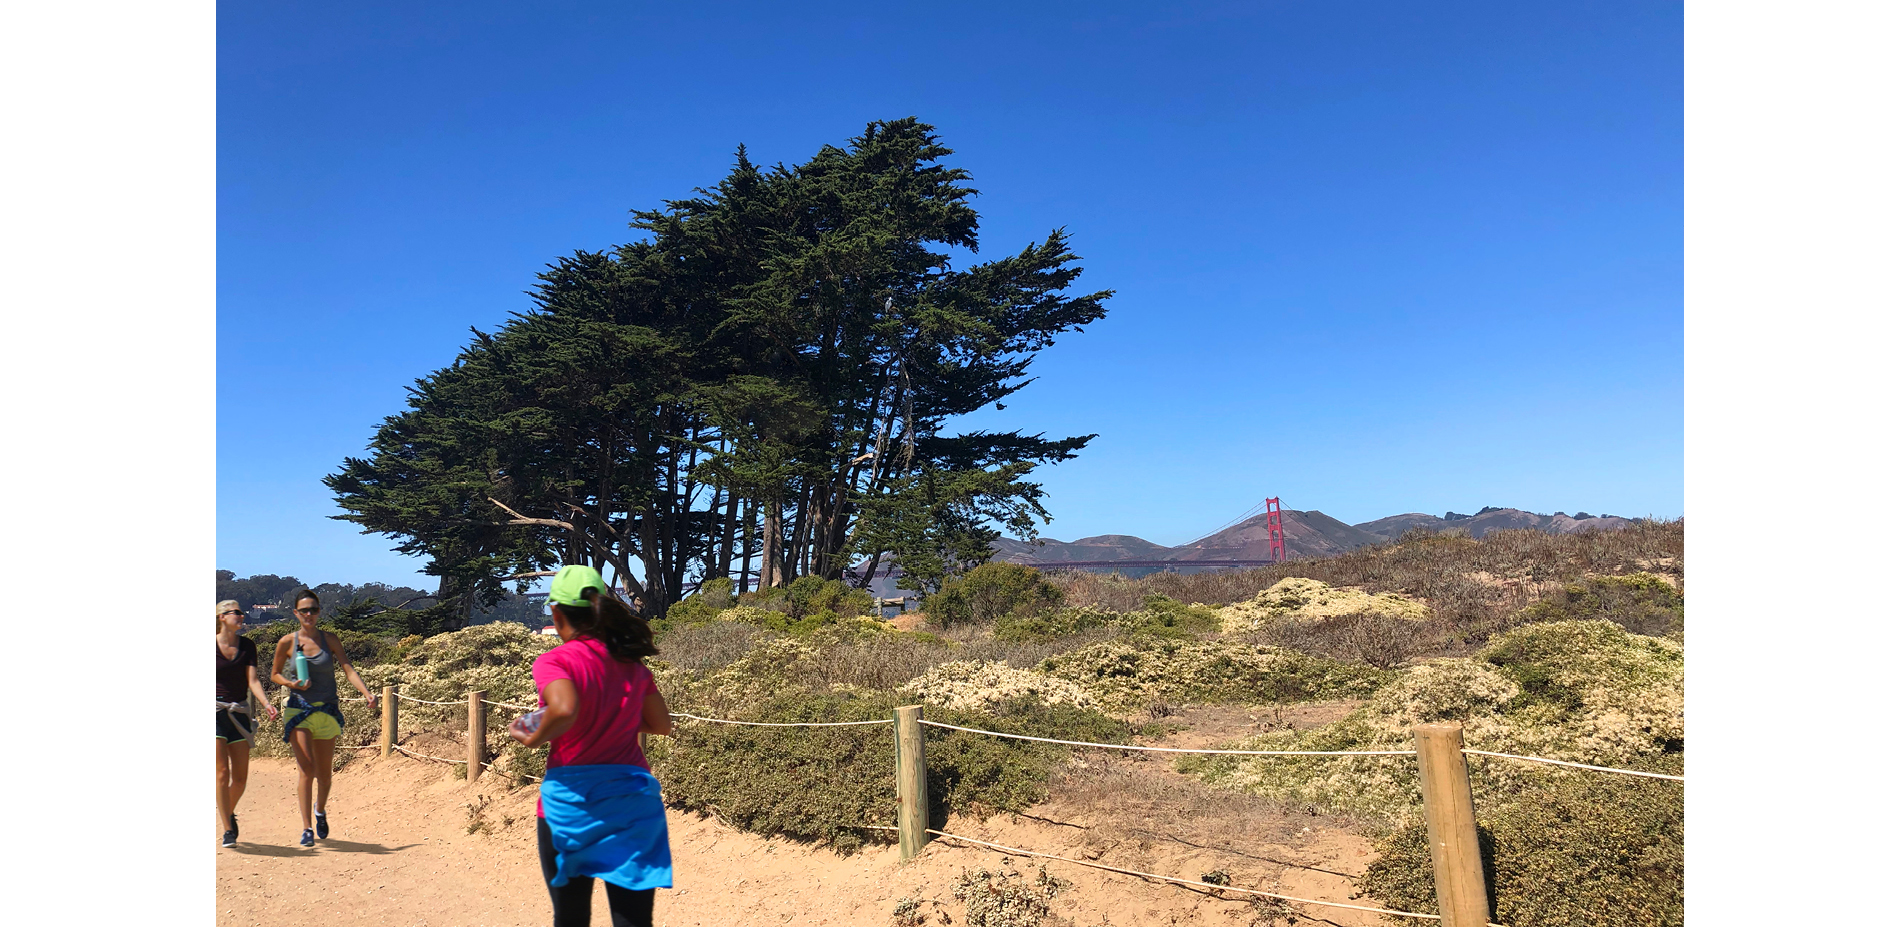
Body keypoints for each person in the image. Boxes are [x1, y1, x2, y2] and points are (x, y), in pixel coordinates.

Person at [511, 565, 673, 927]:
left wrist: (529, 732)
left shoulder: (555, 661)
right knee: (633, 921)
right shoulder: (631, 663)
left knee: (570, 917)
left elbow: (564, 708)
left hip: (572, 804)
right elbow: (662, 725)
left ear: (556, 612)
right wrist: (618, 719)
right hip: (632, 802)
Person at [270, 589, 378, 848]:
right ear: (296, 613)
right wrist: (291, 682)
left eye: (314, 610)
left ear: (319, 612)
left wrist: (367, 693)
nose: (309, 614)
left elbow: (347, 668)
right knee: (307, 769)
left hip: (327, 710)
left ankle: (320, 810)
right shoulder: (287, 642)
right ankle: (307, 828)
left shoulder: (330, 639)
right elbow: (274, 674)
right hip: (298, 709)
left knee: (325, 775)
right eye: (304, 610)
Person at [217, 600, 280, 848]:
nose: (241, 616)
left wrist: (265, 703)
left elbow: (252, 680)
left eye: (242, 613)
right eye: (236, 613)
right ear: (222, 617)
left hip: (240, 711)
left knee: (240, 779)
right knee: (222, 773)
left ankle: (227, 812)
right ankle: (228, 829)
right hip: (214, 711)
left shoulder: (247, 646)